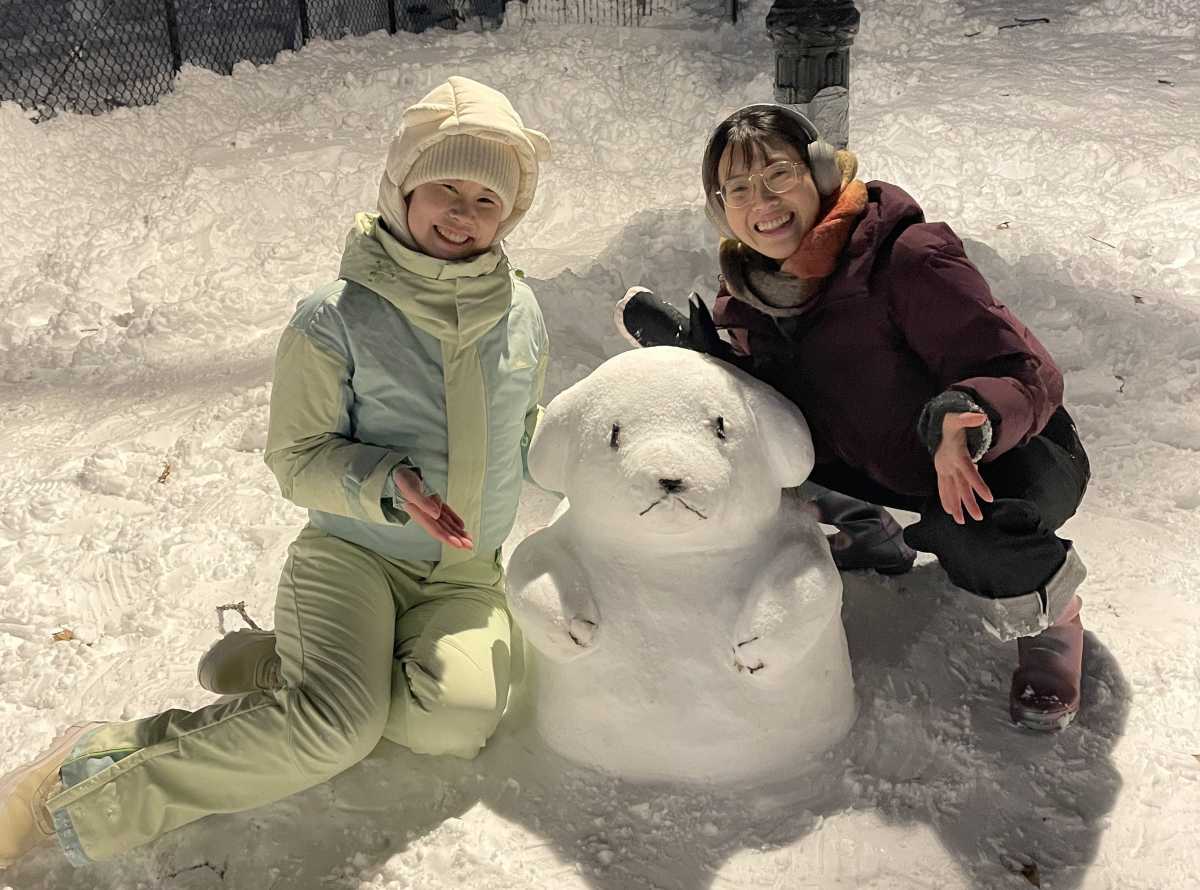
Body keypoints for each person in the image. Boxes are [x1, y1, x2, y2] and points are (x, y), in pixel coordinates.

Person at [0, 75, 551, 867]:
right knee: (336, 729)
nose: (463, 213)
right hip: (354, 558)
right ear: (403, 190)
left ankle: (296, 664)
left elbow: (531, 427)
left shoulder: (522, 312)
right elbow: (295, 460)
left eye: (486, 200)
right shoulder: (335, 316)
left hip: (465, 576)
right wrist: (386, 483)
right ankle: (80, 785)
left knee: (455, 721)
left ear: (511, 215)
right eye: (445, 189)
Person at [618, 104, 1090, 732]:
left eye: (779, 175)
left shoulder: (907, 257)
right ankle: (875, 536)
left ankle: (1052, 621)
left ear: (819, 171)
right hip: (890, 458)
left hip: (1010, 452)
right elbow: (780, 395)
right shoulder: (757, 294)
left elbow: (1025, 369)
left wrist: (967, 414)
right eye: (738, 189)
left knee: (973, 533)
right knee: (771, 460)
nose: (763, 200)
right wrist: (698, 353)